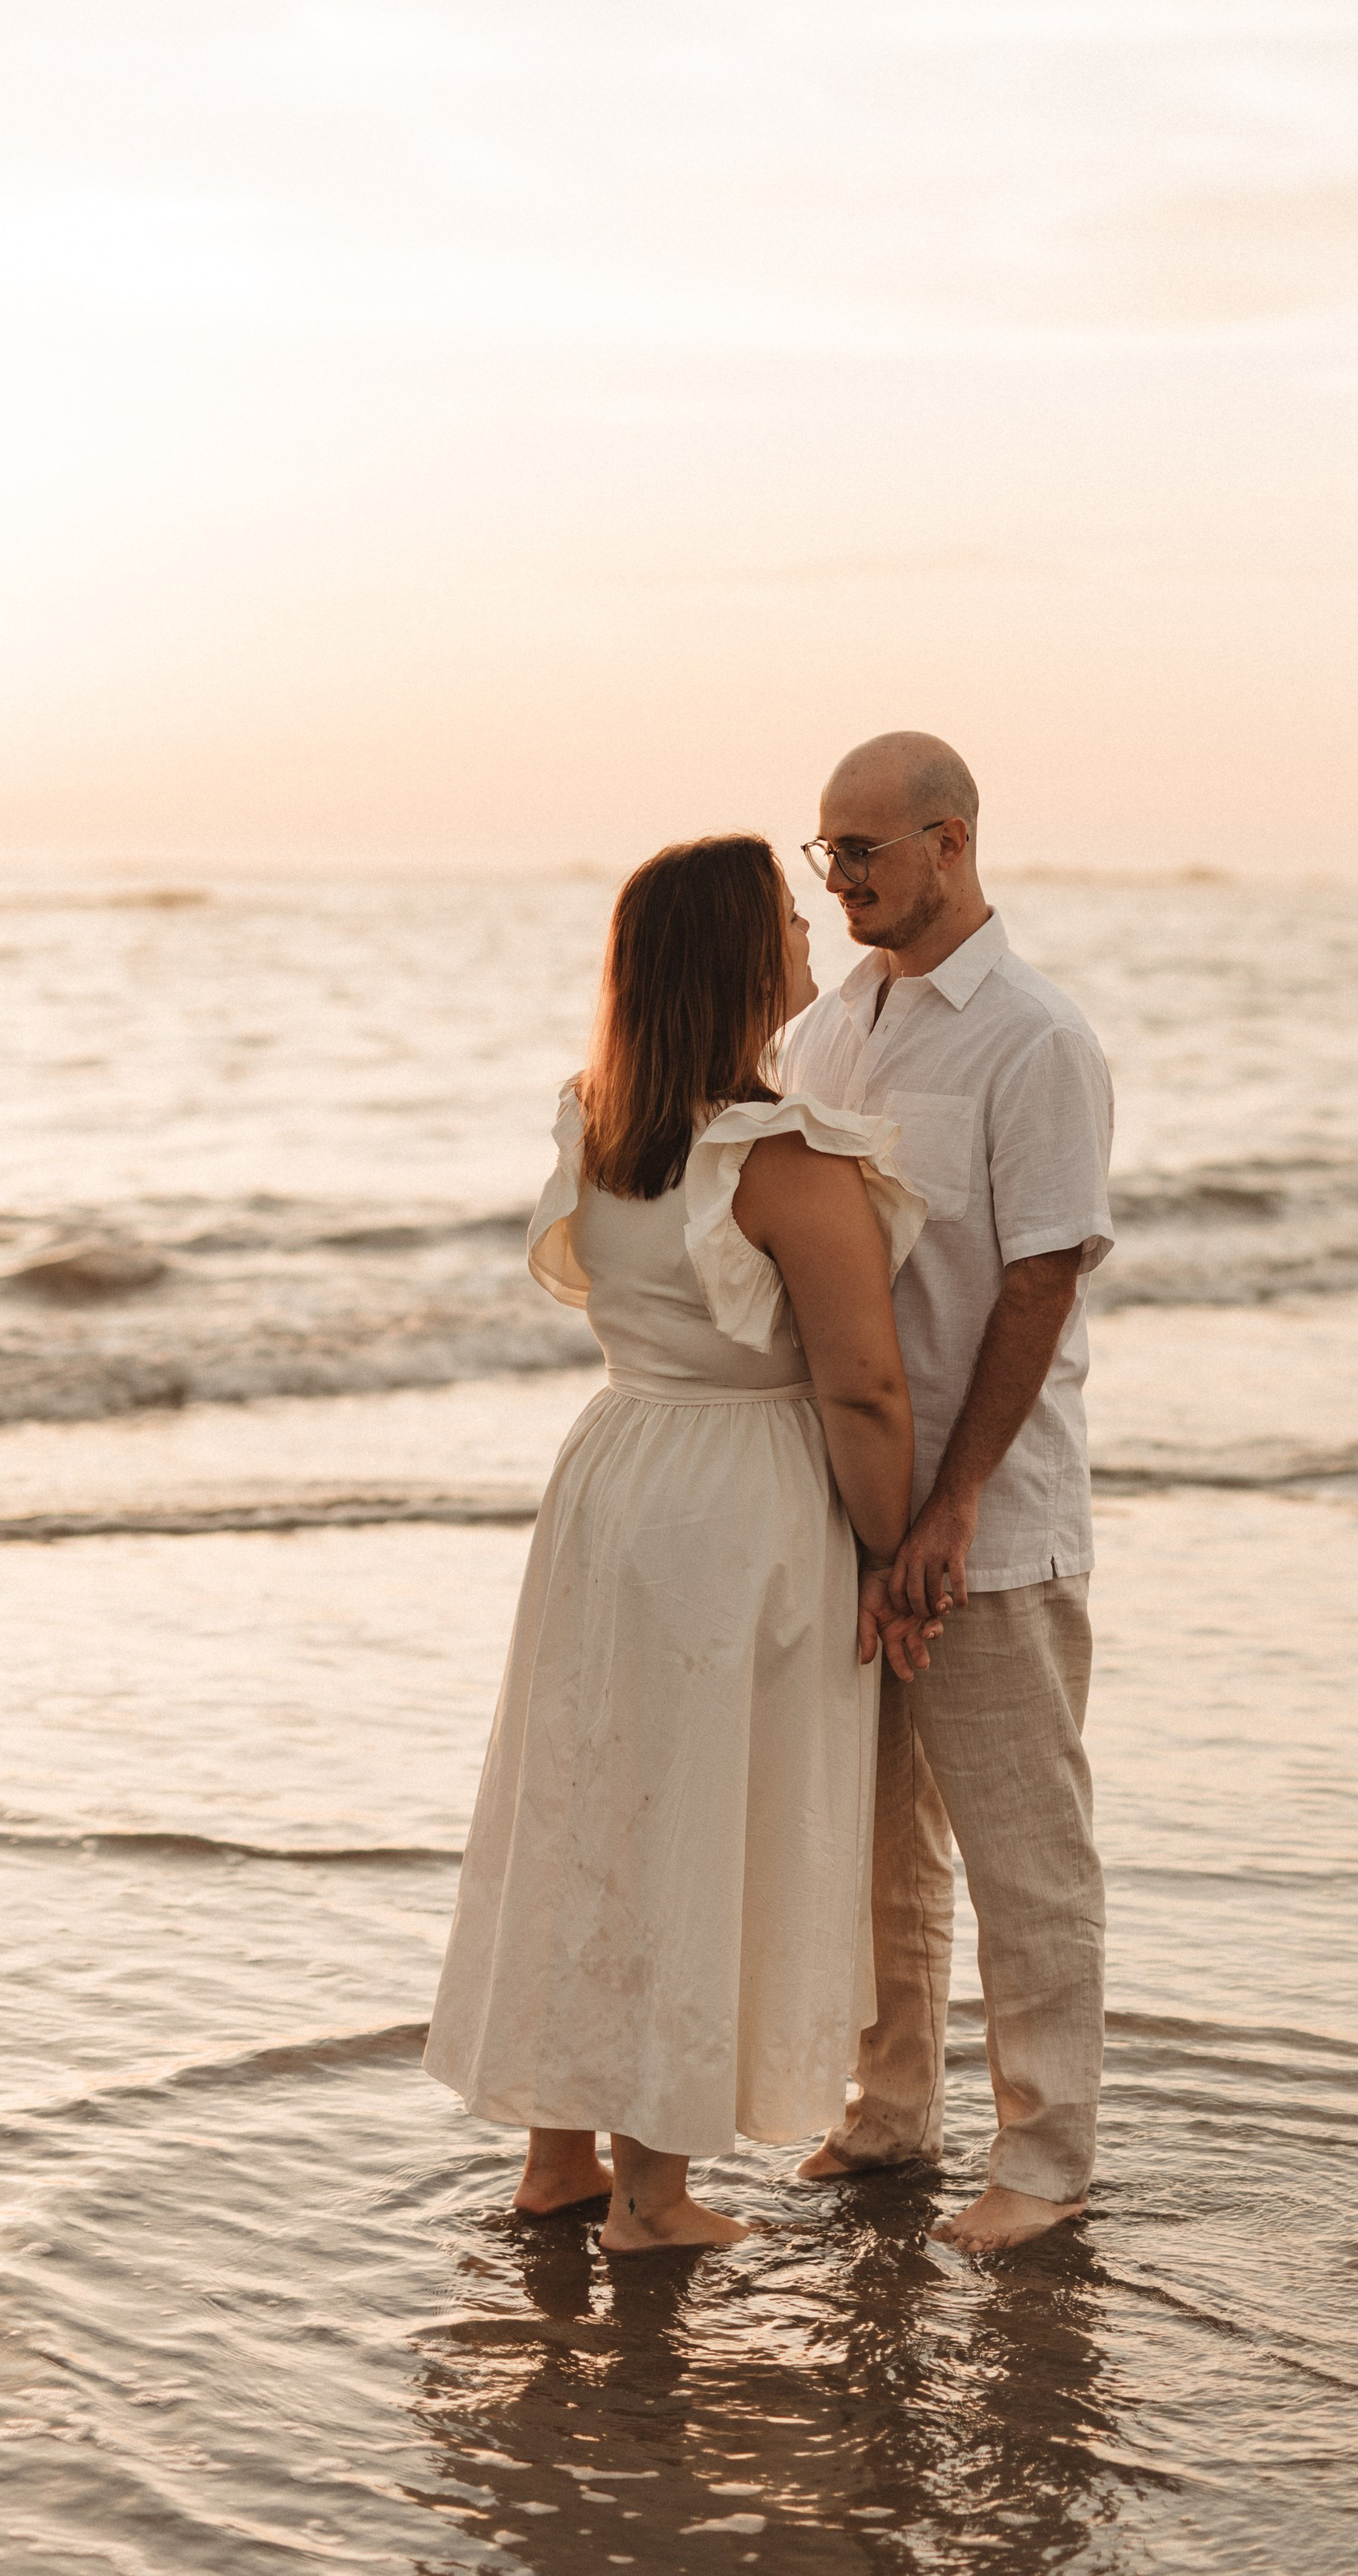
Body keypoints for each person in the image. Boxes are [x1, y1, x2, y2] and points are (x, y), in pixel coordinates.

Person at [424, 832, 934, 2254]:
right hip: (738, 1499)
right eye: (783, 913)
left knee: (592, 1806)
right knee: (695, 1826)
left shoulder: (600, 1121)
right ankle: (655, 2196)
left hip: (614, 1473)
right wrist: (894, 1552)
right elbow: (864, 1383)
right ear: (735, 958)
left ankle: (557, 2159)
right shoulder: (775, 1156)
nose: (805, 929)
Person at [783, 733, 1115, 2255]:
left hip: (987, 1520)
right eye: (825, 854)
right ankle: (892, 2113)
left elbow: (1040, 1281)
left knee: (1020, 1851)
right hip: (851, 1506)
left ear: (950, 842)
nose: (840, 878)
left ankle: (1043, 2163)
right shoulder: (834, 1022)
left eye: (863, 852)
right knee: (875, 1847)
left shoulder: (1037, 1040)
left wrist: (953, 1505)